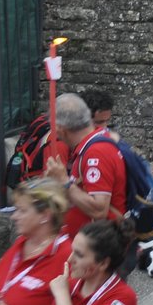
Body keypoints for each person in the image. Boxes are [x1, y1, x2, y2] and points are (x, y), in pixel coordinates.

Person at [75, 89, 153, 305]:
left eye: (106, 123)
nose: (102, 129)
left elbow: (98, 205)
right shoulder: (104, 144)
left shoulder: (100, 149)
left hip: (112, 242)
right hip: (109, 239)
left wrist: (67, 187)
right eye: (98, 122)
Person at [45, 94, 125, 242]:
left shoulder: (96, 153)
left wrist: (64, 181)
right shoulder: (89, 147)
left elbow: (99, 210)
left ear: (61, 129)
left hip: (101, 249)